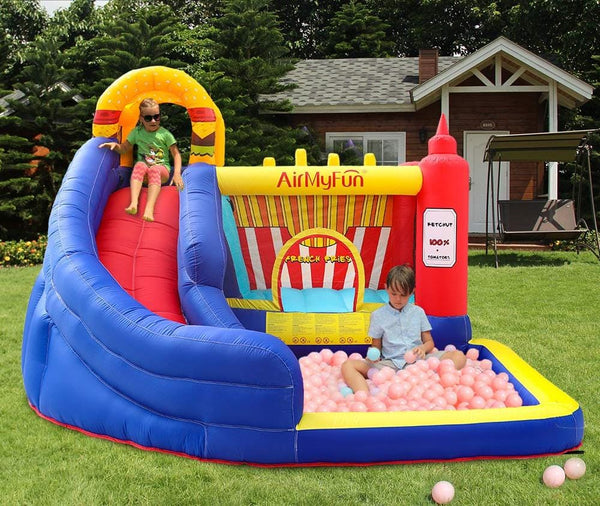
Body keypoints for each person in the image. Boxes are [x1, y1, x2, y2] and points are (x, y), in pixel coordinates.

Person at [341, 264, 466, 393]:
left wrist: (422, 348)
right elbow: (376, 346)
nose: (398, 299)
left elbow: (429, 342)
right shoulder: (378, 315)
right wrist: (373, 356)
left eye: (403, 295)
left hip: (419, 363)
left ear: (412, 292)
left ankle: (434, 386)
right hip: (390, 365)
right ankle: (363, 394)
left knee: (459, 356)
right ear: (386, 289)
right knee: (348, 365)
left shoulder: (418, 312)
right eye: (394, 294)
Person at [99, 98, 183, 222]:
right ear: (141, 118)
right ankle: (133, 203)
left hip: (161, 171)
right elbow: (125, 148)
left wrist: (176, 174)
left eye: (157, 116)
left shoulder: (165, 134)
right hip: (144, 174)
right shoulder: (136, 133)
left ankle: (149, 209)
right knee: (139, 164)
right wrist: (116, 147)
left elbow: (176, 154)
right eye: (148, 118)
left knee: (154, 169)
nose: (153, 120)